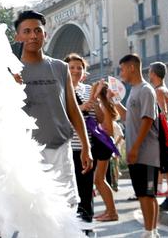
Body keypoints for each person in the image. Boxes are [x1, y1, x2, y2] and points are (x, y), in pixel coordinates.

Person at [14, 11, 92, 220]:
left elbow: (73, 108)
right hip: (26, 152)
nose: (33, 35)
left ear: (45, 35)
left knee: (65, 211)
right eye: (27, 31)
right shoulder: (9, 70)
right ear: (18, 37)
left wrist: (85, 145)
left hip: (60, 149)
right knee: (32, 214)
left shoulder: (60, 67)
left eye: (38, 30)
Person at [114, 54, 160, 238]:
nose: (121, 73)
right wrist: (115, 101)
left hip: (146, 153)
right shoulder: (133, 90)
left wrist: (135, 148)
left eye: (122, 69)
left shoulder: (146, 90)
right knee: (144, 194)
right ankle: (152, 231)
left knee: (147, 194)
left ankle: (149, 232)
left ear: (132, 67)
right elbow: (127, 117)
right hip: (138, 153)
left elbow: (148, 119)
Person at [65, 53, 96, 223]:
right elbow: (60, 120)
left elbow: (99, 120)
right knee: (69, 192)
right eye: (71, 67)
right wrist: (81, 107)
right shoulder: (60, 91)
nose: (76, 71)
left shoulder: (89, 90)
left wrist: (97, 101)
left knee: (86, 191)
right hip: (67, 148)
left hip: (86, 148)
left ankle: (87, 225)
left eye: (79, 67)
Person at [148, 61, 168, 212]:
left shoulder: (159, 91)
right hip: (167, 133)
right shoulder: (163, 89)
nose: (148, 74)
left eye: (149, 71)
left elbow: (162, 113)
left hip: (163, 134)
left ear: (153, 74)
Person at [89, 81, 119, 222]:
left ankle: (112, 212)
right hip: (103, 144)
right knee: (100, 180)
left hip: (103, 144)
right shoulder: (104, 103)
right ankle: (109, 211)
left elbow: (108, 129)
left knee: (99, 180)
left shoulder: (103, 104)